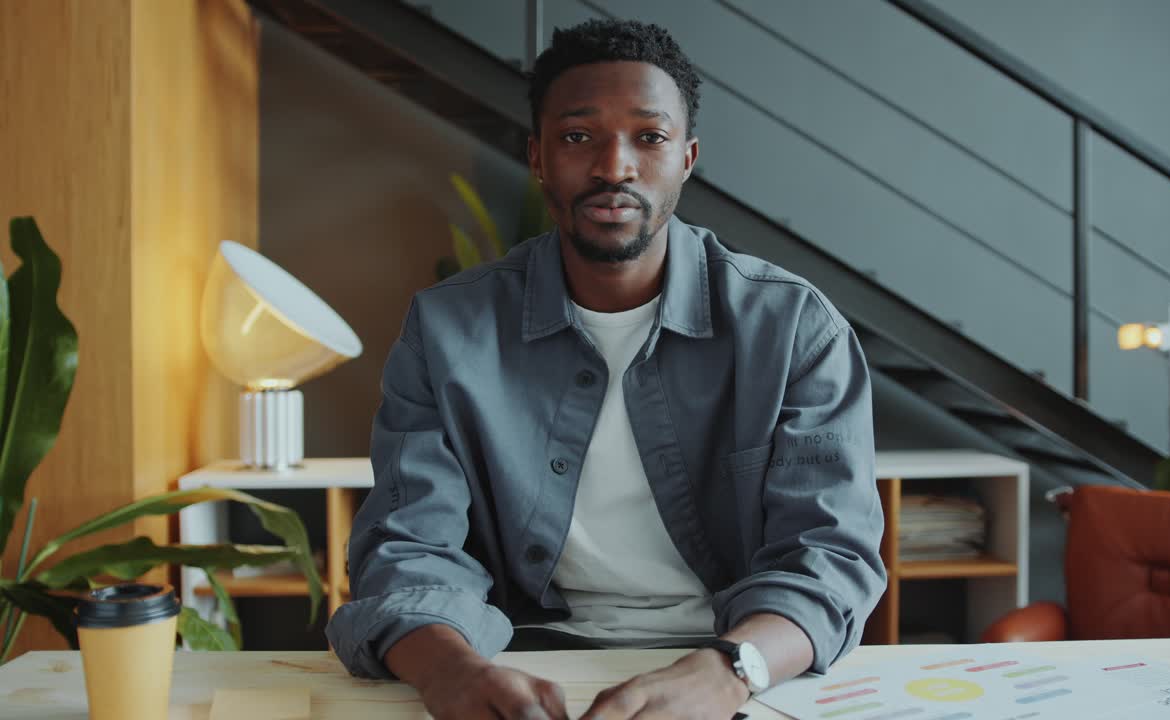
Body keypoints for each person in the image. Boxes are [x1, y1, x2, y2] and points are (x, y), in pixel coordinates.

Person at [326, 18, 886, 720]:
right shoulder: (449, 330)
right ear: (536, 156)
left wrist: (730, 670)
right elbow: (407, 545)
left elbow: (830, 556)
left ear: (687, 157)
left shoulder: (795, 328)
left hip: (731, 659)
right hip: (521, 663)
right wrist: (451, 673)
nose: (614, 166)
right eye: (578, 136)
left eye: (648, 138)